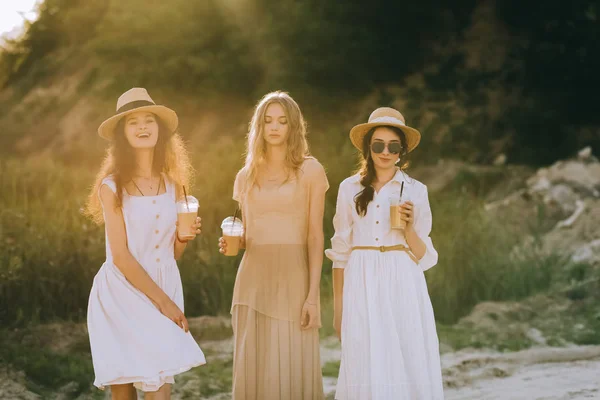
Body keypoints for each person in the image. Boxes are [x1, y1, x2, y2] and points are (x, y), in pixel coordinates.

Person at [85, 88, 206, 400]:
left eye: (149, 120)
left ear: (159, 129)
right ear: (122, 134)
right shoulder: (111, 187)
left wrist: (184, 236)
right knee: (124, 392)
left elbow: (172, 254)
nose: (142, 127)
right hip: (122, 293)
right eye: (132, 122)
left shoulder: (175, 185)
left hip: (165, 283)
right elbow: (121, 257)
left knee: (158, 390)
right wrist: (164, 303)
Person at [326, 107, 444, 399]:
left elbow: (425, 257)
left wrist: (407, 229)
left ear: (402, 151)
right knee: (364, 354)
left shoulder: (416, 190)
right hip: (361, 278)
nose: (385, 151)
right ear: (368, 147)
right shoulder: (348, 188)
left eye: (393, 146)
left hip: (402, 277)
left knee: (406, 352)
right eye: (378, 144)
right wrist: (338, 310)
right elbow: (340, 252)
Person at [219, 91, 329, 400]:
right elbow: (250, 233)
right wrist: (235, 242)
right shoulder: (246, 175)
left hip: (294, 278)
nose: (275, 127)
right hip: (252, 280)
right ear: (259, 127)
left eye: (282, 121)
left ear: (294, 126)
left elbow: (315, 236)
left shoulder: (311, 171)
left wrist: (312, 297)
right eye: (268, 121)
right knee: (255, 368)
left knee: (293, 366)